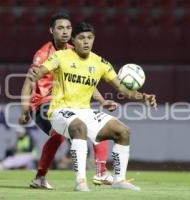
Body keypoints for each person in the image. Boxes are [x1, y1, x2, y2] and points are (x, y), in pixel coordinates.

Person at [19, 22, 157, 192]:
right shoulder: (60, 56)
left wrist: (143, 97)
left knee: (123, 131)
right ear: (74, 41)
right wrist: (34, 75)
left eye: (90, 38)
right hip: (59, 111)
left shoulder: (100, 62)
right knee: (79, 127)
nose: (86, 42)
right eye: (82, 38)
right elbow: (39, 73)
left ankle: (119, 180)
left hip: (84, 112)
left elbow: (123, 89)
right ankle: (81, 181)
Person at [21, 12, 118, 189]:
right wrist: (24, 110)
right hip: (42, 103)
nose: (65, 32)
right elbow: (29, 82)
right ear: (52, 30)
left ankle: (101, 172)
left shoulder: (75, 52)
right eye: (60, 28)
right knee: (59, 134)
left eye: (68, 28)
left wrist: (102, 101)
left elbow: (87, 81)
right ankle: (42, 177)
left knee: (96, 124)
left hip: (66, 103)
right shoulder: (43, 54)